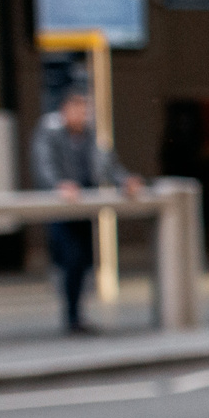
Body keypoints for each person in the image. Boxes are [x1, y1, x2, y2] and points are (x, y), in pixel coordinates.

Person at [28, 86, 143, 335]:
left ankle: (76, 314)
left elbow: (106, 162)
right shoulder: (50, 132)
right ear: (65, 110)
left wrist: (124, 180)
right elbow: (44, 164)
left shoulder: (89, 135)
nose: (82, 115)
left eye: (85, 110)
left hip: (84, 208)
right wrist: (59, 185)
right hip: (62, 209)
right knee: (69, 258)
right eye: (77, 109)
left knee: (83, 261)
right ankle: (71, 315)